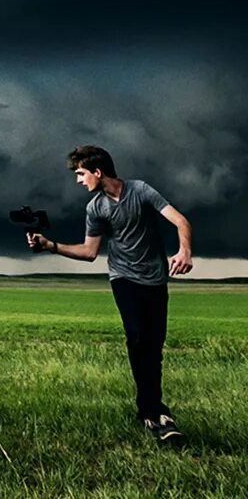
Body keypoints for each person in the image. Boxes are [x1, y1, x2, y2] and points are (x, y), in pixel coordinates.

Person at [27, 145, 192, 442]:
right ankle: (156, 413)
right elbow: (90, 252)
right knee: (139, 338)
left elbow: (180, 221)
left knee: (153, 346)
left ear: (97, 171)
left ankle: (149, 410)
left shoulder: (141, 191)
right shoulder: (96, 208)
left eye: (81, 173)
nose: (78, 181)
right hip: (124, 278)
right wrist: (51, 246)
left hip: (155, 279)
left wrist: (184, 251)